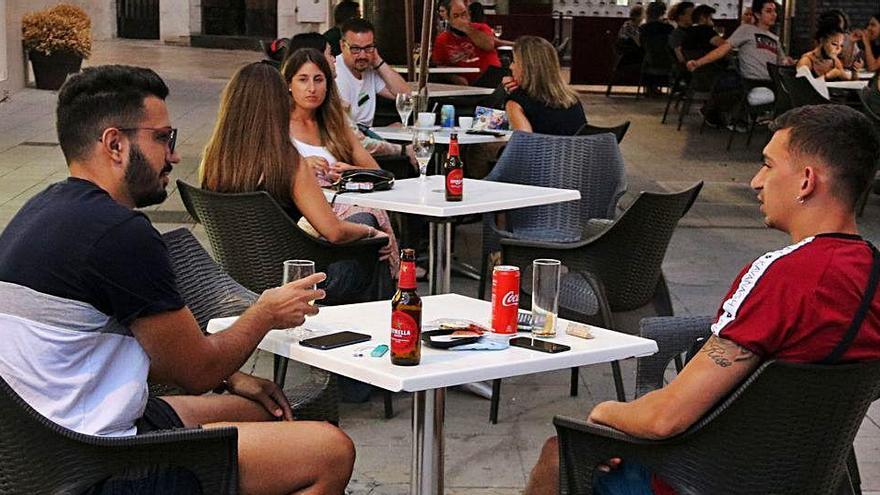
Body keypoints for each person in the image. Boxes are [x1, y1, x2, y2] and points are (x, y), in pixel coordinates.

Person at [0, 65, 355, 494]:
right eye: (162, 138)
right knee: (331, 450)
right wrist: (265, 312)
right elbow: (196, 371)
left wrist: (232, 377)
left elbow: (110, 353)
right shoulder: (119, 235)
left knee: (263, 412)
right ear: (115, 144)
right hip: (96, 462)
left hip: (41, 445)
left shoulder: (38, 211)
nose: (173, 154)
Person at [524, 103, 880, 494]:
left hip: (705, 476)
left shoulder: (783, 276)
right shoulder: (872, 273)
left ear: (806, 181)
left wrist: (606, 414)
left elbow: (665, 419)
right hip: (806, 476)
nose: (756, 181)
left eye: (768, 165)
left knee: (559, 454)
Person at [200, 61, 393, 305]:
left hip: (236, 277)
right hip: (296, 280)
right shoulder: (287, 162)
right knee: (369, 232)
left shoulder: (214, 159)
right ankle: (388, 325)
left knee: (362, 231)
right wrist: (372, 232)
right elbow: (334, 231)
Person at [284, 32, 417, 167]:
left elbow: (405, 95)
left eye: (318, 80)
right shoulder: (277, 123)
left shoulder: (335, 120)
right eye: (303, 80)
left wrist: (350, 172)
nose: (312, 88)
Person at [687, 0, 792, 83]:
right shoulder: (746, 29)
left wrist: (789, 61)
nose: (774, 14)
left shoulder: (775, 39)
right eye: (769, 11)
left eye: (774, 11)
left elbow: (782, 62)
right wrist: (698, 63)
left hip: (774, 82)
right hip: (755, 82)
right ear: (758, 14)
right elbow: (722, 50)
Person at [503, 36, 586, 135]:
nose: (510, 66)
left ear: (527, 68)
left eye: (514, 62)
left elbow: (524, 144)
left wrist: (510, 96)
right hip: (575, 150)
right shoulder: (572, 99)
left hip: (540, 150)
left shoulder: (516, 103)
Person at [335, 17, 410, 127]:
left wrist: (377, 61)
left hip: (367, 136)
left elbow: (405, 96)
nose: (362, 55)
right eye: (355, 49)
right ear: (342, 46)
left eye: (368, 48)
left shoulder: (369, 68)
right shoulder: (336, 73)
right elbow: (344, 130)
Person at [432, 0, 502, 85]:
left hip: (490, 82)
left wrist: (466, 28)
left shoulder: (481, 28)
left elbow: (489, 45)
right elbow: (438, 67)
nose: (461, 18)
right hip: (464, 87)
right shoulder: (442, 39)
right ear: (448, 18)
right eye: (456, 15)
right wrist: (453, 78)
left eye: (464, 14)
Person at [639, 2, 674, 96]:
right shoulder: (669, 28)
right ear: (663, 13)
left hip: (650, 60)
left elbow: (641, 45)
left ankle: (650, 87)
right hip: (667, 61)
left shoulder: (643, 28)